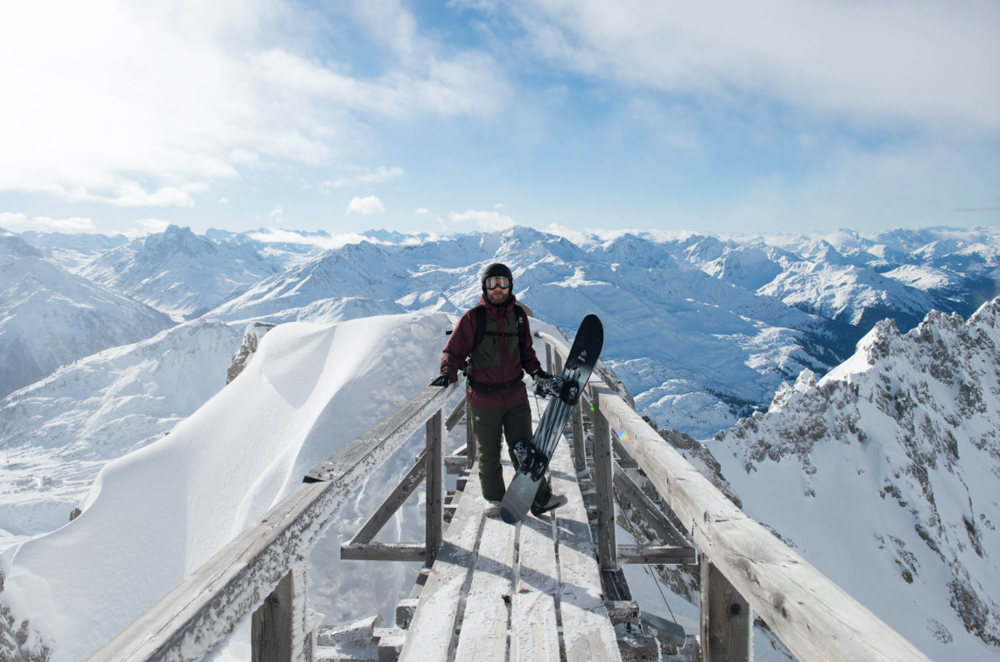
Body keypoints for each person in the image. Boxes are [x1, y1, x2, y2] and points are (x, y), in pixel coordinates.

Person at [430, 263, 568, 517]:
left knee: (526, 449)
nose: (498, 289)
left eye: (502, 283)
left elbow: (527, 353)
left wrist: (538, 374)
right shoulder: (473, 318)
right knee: (489, 453)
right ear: (484, 286)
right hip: (484, 399)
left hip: (515, 396)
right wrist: (447, 373)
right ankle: (495, 499)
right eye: (492, 283)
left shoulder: (518, 316)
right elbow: (453, 351)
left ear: (510, 285)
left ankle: (540, 499)